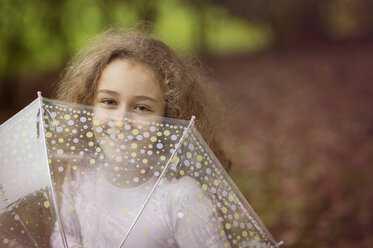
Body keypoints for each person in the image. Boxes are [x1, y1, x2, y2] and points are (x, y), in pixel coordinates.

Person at [49, 26, 232, 247]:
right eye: (109, 101)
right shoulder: (80, 174)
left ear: (169, 117)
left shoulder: (181, 197)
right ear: (88, 103)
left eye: (142, 108)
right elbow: (67, 234)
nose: (121, 122)